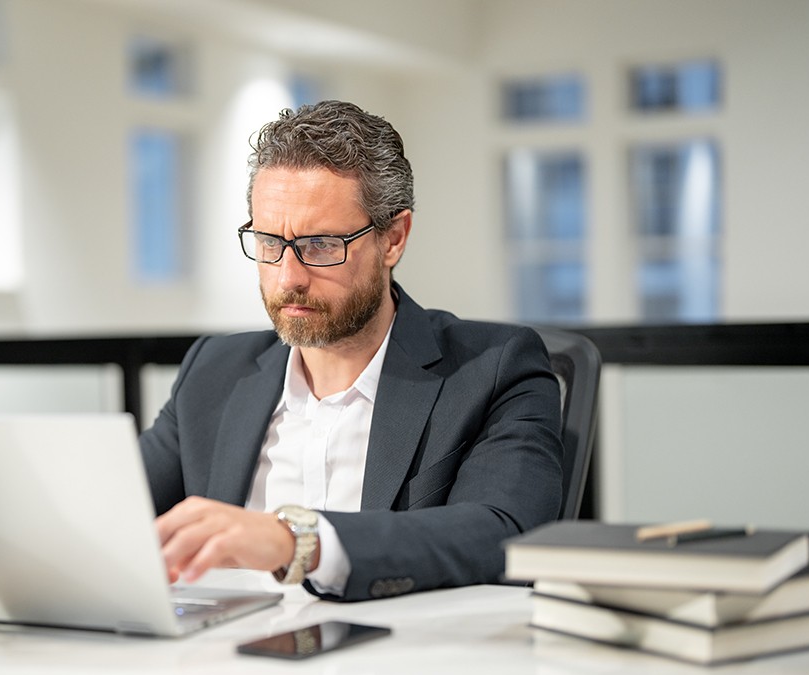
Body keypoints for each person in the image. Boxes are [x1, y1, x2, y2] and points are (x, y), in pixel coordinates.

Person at [140, 100, 562, 602]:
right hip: (223, 664)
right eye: (269, 241)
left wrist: (296, 541)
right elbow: (111, 510)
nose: (289, 277)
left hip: (396, 667)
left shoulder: (494, 369)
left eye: (320, 245)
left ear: (394, 239)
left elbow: (501, 532)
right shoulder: (215, 371)